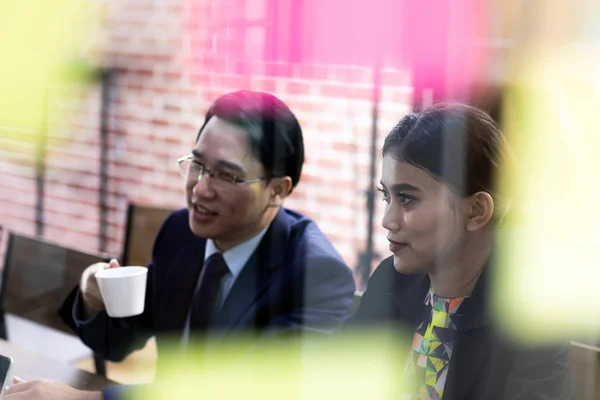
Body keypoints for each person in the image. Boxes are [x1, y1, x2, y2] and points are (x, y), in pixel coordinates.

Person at [5, 91, 356, 400]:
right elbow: (117, 344)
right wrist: (92, 297)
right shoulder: (180, 233)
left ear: (277, 190)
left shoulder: (316, 275)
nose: (200, 188)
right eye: (198, 165)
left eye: (227, 175)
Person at [350, 103, 574, 400]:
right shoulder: (390, 281)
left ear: (477, 211)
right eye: (386, 196)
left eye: (406, 198)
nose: (387, 220)